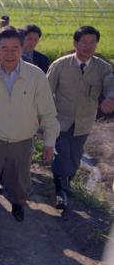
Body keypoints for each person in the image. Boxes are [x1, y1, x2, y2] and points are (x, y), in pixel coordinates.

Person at [0, 26, 60, 257]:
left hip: (23, 140)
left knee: (19, 182)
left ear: (22, 48)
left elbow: (48, 112)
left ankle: (17, 202)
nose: (9, 53)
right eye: (4, 48)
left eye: (15, 48)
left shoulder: (36, 75)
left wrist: (50, 142)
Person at [47, 26, 114, 210]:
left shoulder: (103, 68)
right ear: (75, 43)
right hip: (60, 119)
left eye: (92, 42)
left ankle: (66, 182)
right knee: (62, 153)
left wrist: (110, 99)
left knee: (75, 157)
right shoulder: (60, 65)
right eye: (83, 42)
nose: (88, 46)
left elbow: (111, 85)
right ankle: (61, 192)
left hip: (84, 121)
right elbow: (46, 91)